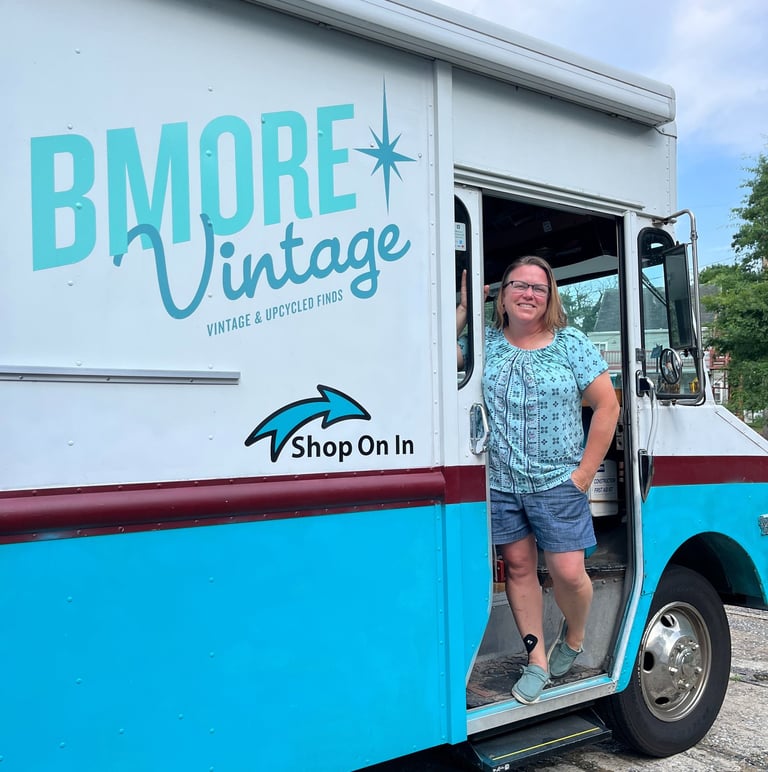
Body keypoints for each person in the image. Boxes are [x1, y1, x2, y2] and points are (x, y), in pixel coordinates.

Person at [457, 256, 619, 704]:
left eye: (538, 288)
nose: (528, 294)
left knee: (568, 573)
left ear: (550, 298)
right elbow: (440, 358)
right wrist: (465, 310)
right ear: (502, 296)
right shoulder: (485, 343)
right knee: (519, 568)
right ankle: (537, 661)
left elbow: (607, 406)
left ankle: (574, 636)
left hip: (558, 483)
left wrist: (583, 475)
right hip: (501, 483)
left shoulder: (570, 343)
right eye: (518, 285)